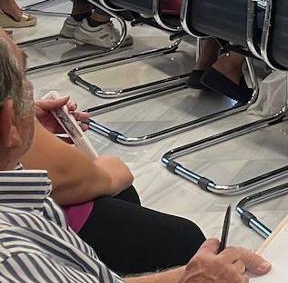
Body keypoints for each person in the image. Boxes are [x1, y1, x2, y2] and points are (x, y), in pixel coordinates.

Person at [0, 34, 270, 282]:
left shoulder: (18, 198)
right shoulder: (14, 257)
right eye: (25, 81)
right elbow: (94, 177)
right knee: (184, 240)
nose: (31, 95)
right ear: (8, 120)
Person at [19, 76, 204, 274]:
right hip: (41, 227)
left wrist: (28, 126)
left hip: (37, 216)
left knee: (125, 200)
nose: (28, 87)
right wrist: (110, 171)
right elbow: (84, 178)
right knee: (188, 242)